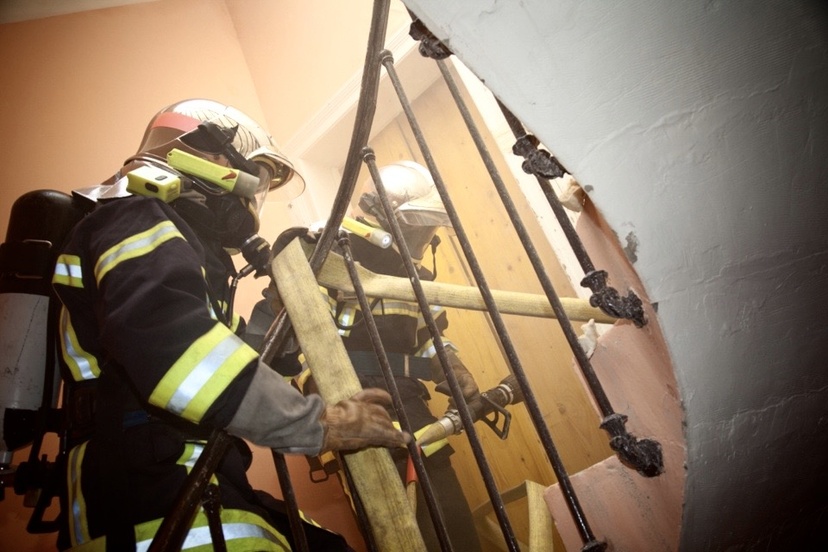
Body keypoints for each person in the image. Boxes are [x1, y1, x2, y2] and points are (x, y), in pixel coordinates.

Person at [51, 99, 409, 551]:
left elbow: (235, 362)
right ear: (211, 157)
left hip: (188, 475)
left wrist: (281, 309)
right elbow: (178, 354)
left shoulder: (181, 246)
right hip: (151, 495)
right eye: (255, 177)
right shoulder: (134, 214)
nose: (252, 196)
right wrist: (321, 423)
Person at [292, 161, 483, 552]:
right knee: (397, 532)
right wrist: (330, 412)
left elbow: (428, 335)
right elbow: (299, 345)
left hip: (411, 405)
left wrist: (451, 365)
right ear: (377, 213)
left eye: (428, 227)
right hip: (356, 405)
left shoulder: (410, 277)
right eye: (417, 224)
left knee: (452, 525)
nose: (423, 235)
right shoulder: (326, 255)